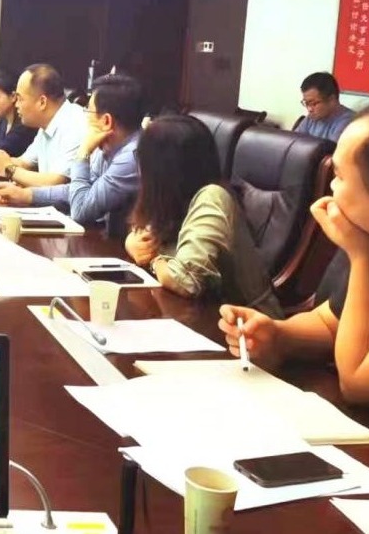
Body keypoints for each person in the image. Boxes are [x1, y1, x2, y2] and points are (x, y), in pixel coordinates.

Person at [219, 109, 369, 401]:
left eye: (339, 175)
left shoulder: (360, 246)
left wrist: (362, 258)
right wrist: (278, 335)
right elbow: (331, 322)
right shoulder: (362, 237)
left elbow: (356, 382)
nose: (330, 187)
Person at [126, 114, 281, 315]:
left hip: (245, 323)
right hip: (200, 312)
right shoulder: (171, 197)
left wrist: (153, 259)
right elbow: (142, 235)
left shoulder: (213, 197)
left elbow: (186, 281)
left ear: (163, 168)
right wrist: (132, 243)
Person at [0, 74, 143, 237]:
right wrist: (26, 195)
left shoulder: (132, 157)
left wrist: (83, 153)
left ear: (106, 121)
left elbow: (81, 210)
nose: (85, 116)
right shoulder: (107, 147)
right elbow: (78, 190)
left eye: (88, 110)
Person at [0, 64, 86, 189]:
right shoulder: (46, 124)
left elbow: (57, 182)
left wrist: (9, 169)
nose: (16, 105)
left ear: (42, 102)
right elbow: (24, 163)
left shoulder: (75, 123)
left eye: (20, 99)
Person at [297, 72, 355, 143]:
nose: (309, 109)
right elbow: (294, 141)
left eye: (313, 103)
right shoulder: (311, 118)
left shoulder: (349, 121)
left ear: (332, 100)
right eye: (306, 103)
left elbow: (331, 149)